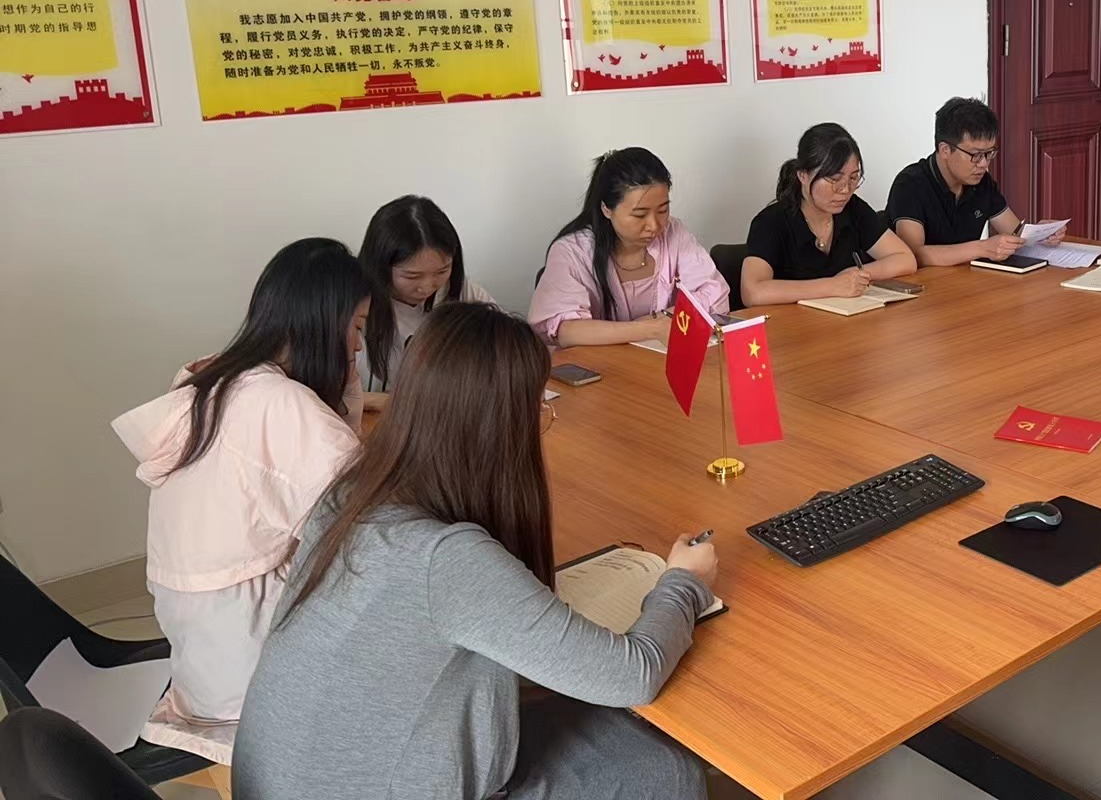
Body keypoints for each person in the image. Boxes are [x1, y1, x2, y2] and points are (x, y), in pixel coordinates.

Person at [232, 303, 717, 799]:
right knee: (661, 768)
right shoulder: (444, 558)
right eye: (537, 404)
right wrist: (684, 583)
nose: (540, 417)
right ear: (499, 423)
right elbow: (633, 675)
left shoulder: (349, 494)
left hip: (286, 781)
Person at [110, 238, 372, 759]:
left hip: (198, 634)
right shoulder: (277, 404)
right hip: (242, 659)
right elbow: (363, 512)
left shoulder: (216, 376)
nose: (359, 346)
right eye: (358, 327)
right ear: (324, 322)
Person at [530, 148, 732, 347]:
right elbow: (566, 331)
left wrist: (660, 319)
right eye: (640, 215)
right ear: (606, 209)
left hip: (656, 360)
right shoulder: (572, 251)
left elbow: (715, 296)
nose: (654, 225)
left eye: (663, 210)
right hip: (599, 363)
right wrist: (651, 328)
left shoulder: (674, 232)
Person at [742, 122, 916, 305]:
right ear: (803, 175)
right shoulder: (771, 222)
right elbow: (752, 292)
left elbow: (905, 259)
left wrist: (855, 274)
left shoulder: (853, 209)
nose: (845, 189)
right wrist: (833, 286)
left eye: (853, 177)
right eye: (834, 179)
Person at [885, 97, 1066, 266]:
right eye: (976, 155)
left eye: (989, 153)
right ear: (945, 150)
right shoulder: (910, 184)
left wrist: (1040, 234)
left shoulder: (981, 181)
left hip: (966, 279)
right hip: (924, 284)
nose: (984, 164)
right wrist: (982, 248)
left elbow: (1014, 231)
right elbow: (913, 254)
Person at [357, 195, 494, 412]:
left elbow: (507, 356)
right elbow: (320, 396)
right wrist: (386, 402)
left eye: (442, 271)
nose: (428, 287)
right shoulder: (352, 306)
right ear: (380, 267)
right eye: (412, 276)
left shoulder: (465, 294)